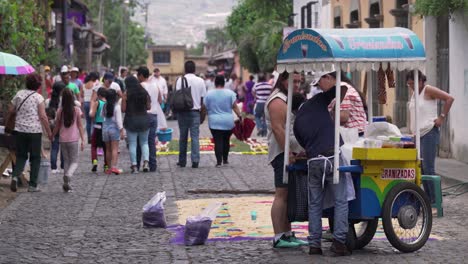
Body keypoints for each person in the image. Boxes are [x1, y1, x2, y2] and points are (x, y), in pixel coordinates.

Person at [294, 71, 352, 256]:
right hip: (332, 158)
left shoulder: (297, 124)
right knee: (341, 200)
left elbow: (305, 146)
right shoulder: (317, 101)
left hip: (314, 163)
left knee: (315, 204)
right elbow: (342, 88)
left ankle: (314, 245)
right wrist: (325, 83)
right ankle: (339, 242)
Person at [265, 71, 308, 248]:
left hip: (286, 152)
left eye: (299, 81)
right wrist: (288, 153)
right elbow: (278, 129)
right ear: (283, 80)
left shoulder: (285, 98)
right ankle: (279, 236)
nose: (297, 85)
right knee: (281, 194)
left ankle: (288, 234)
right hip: (280, 153)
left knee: (288, 194)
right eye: (294, 81)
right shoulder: (277, 101)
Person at [407, 70, 454, 201]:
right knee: (421, 168)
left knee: (428, 167)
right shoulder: (414, 93)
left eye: (413, 83)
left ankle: (434, 200)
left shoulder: (428, 90)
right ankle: (426, 199)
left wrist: (441, 117)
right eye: (409, 84)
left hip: (429, 132)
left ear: (420, 81)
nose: (411, 86)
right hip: (418, 134)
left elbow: (449, 98)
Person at [8, 73, 53, 192]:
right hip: (34, 132)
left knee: (21, 155)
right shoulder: (38, 98)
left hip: (20, 130)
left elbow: (11, 110)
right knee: (35, 157)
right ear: (38, 85)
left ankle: (15, 176)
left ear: (26, 83)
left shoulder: (19, 94)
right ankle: (32, 185)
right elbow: (43, 117)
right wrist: (49, 132)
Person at [175, 60, 207, 168]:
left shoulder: (180, 80)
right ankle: (195, 160)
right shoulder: (201, 81)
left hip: (182, 112)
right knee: (195, 137)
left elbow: (177, 96)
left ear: (185, 69)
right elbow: (203, 99)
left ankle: (182, 161)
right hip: (195, 112)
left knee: (182, 137)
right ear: (194, 69)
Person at [204, 75, 242, 167]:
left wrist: (201, 117)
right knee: (226, 140)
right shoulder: (230, 93)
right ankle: (225, 160)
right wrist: (240, 116)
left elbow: (204, 107)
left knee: (218, 141)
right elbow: (234, 106)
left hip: (214, 121)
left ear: (215, 83)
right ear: (224, 83)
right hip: (228, 121)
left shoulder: (209, 94)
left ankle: (218, 162)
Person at [315, 71, 368, 136]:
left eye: (319, 82)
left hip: (354, 136)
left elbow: (342, 117)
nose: (319, 86)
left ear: (328, 77)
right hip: (355, 134)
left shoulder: (342, 88)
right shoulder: (341, 87)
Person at [52, 89, 85, 192]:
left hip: (62, 139)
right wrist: (83, 139)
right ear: (72, 98)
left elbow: (57, 125)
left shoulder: (59, 111)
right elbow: (80, 125)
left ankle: (66, 184)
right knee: (74, 161)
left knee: (66, 161)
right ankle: (68, 175)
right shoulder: (76, 110)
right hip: (73, 139)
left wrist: (52, 135)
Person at [122, 76, 151, 173]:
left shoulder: (126, 93)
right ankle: (146, 163)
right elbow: (148, 107)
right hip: (144, 119)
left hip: (131, 120)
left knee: (133, 144)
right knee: (144, 143)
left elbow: (123, 109)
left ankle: (134, 166)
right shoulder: (144, 92)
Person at [137, 66, 162, 172]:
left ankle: (137, 164)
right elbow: (160, 101)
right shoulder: (156, 86)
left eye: (138, 75)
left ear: (141, 75)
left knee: (140, 141)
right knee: (151, 141)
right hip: (153, 116)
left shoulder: (139, 86)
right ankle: (153, 165)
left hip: (142, 115)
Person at [102, 89, 124, 174]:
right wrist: (121, 130)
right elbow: (119, 120)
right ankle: (114, 167)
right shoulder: (117, 106)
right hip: (114, 129)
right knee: (115, 149)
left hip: (105, 129)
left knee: (108, 149)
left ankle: (109, 168)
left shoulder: (104, 105)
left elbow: (102, 115)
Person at [47, 82, 65, 173]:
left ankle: (53, 167)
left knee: (54, 147)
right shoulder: (63, 100)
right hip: (62, 125)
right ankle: (63, 166)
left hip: (52, 126)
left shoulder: (49, 101)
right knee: (63, 147)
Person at [89, 88, 108, 172]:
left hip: (97, 126)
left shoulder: (97, 102)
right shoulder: (108, 103)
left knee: (94, 145)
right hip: (105, 126)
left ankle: (95, 161)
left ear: (99, 95)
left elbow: (92, 114)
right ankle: (106, 165)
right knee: (105, 147)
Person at [83, 72, 99, 143]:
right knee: (94, 121)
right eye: (95, 78)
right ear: (93, 78)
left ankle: (89, 138)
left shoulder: (84, 84)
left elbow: (81, 94)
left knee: (88, 122)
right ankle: (94, 137)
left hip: (85, 103)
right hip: (93, 103)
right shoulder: (95, 84)